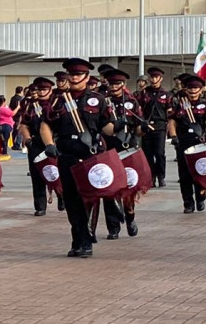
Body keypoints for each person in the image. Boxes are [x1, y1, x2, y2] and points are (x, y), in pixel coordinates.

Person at [38, 58, 102, 257]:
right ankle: (79, 240)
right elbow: (46, 125)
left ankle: (85, 239)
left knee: (88, 200)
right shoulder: (58, 101)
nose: (74, 78)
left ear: (87, 77)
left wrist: (122, 128)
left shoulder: (98, 100)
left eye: (78, 74)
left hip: (91, 157)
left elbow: (106, 126)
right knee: (72, 201)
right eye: (71, 74)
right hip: (67, 156)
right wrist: (49, 144)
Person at [99, 68, 142, 238]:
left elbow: (138, 129)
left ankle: (130, 216)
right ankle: (113, 227)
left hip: (127, 148)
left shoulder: (132, 102)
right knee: (108, 188)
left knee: (128, 188)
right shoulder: (102, 101)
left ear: (123, 84)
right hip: (107, 149)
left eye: (117, 83)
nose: (114, 86)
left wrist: (142, 129)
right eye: (111, 83)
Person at [168, 74, 206, 214]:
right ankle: (188, 203)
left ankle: (201, 196)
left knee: (200, 172)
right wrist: (173, 135)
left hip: (200, 143)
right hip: (183, 143)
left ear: (201, 90)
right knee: (184, 175)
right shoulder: (181, 105)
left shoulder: (205, 105)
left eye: (195, 88)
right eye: (190, 88)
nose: (192, 90)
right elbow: (172, 121)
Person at [21, 77, 59, 216]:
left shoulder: (56, 104)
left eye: (44, 89)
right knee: (37, 175)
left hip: (55, 143)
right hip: (36, 143)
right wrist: (27, 139)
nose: (41, 92)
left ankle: (62, 196)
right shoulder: (31, 106)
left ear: (50, 90)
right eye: (39, 89)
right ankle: (40, 205)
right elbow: (24, 124)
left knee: (58, 172)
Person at [136, 66, 171, 188]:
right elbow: (138, 109)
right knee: (148, 154)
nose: (153, 79)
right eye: (152, 77)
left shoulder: (166, 95)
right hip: (146, 126)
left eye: (156, 77)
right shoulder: (144, 93)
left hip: (160, 126)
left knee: (159, 153)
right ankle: (151, 177)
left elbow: (170, 111)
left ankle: (161, 176)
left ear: (161, 78)